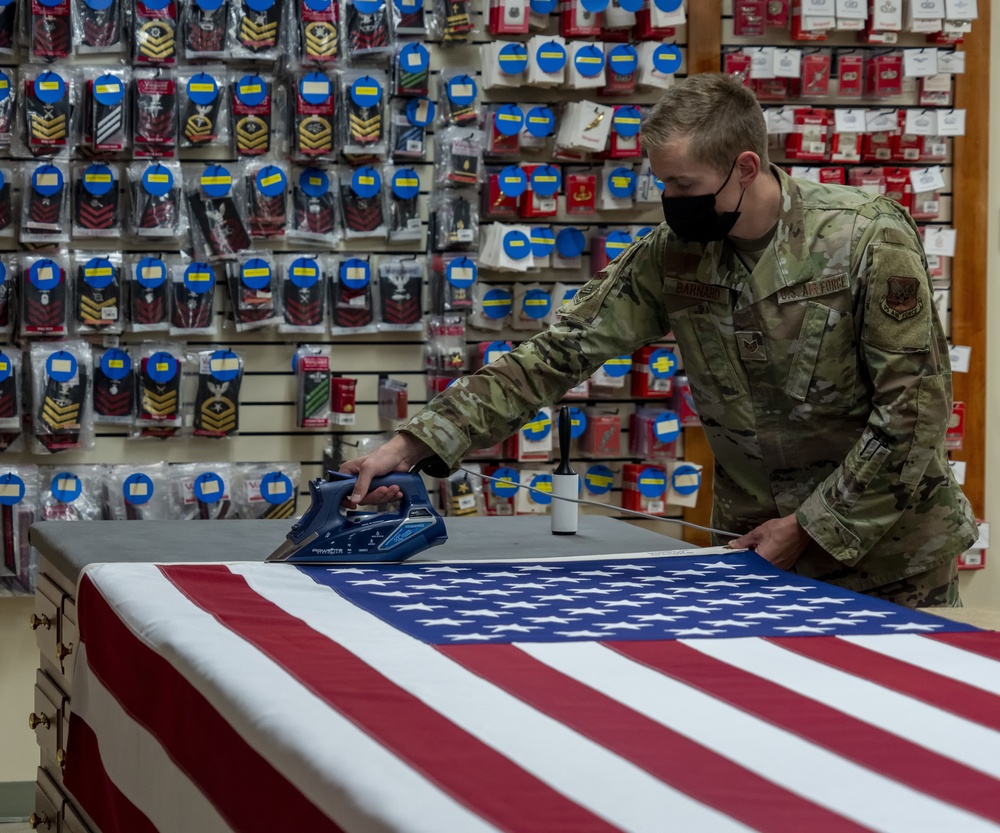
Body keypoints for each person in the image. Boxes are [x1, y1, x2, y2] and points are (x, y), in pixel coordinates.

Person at [342, 72, 977, 608]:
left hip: (892, 559)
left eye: (684, 186)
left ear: (745, 166)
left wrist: (810, 528)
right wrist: (414, 441)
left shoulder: (865, 239)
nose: (670, 202)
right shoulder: (673, 257)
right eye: (662, 184)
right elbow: (556, 353)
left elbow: (912, 414)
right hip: (755, 553)